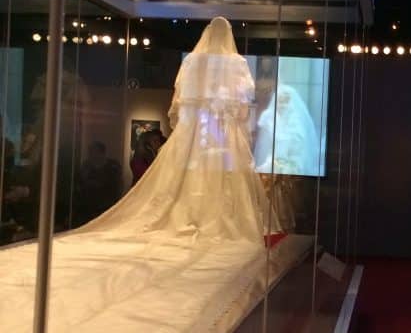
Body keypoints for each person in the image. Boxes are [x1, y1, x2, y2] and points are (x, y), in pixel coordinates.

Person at [80, 15, 277, 243]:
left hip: (197, 128)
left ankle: (192, 214)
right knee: (222, 174)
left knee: (192, 173)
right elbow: (244, 98)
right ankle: (214, 217)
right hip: (222, 129)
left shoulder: (192, 60)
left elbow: (181, 97)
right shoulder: (237, 62)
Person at [255, 84, 319, 176]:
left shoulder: (296, 122)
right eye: (280, 101)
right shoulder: (269, 117)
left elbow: (299, 148)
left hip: (291, 165)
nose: (283, 105)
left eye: (286, 101)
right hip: (271, 164)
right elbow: (264, 146)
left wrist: (290, 163)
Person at [75, 141, 121, 224]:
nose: (91, 154)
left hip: (107, 207)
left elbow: (116, 186)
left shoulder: (113, 166)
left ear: (102, 153)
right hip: (88, 208)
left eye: (94, 151)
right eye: (90, 152)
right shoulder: (86, 166)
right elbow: (80, 184)